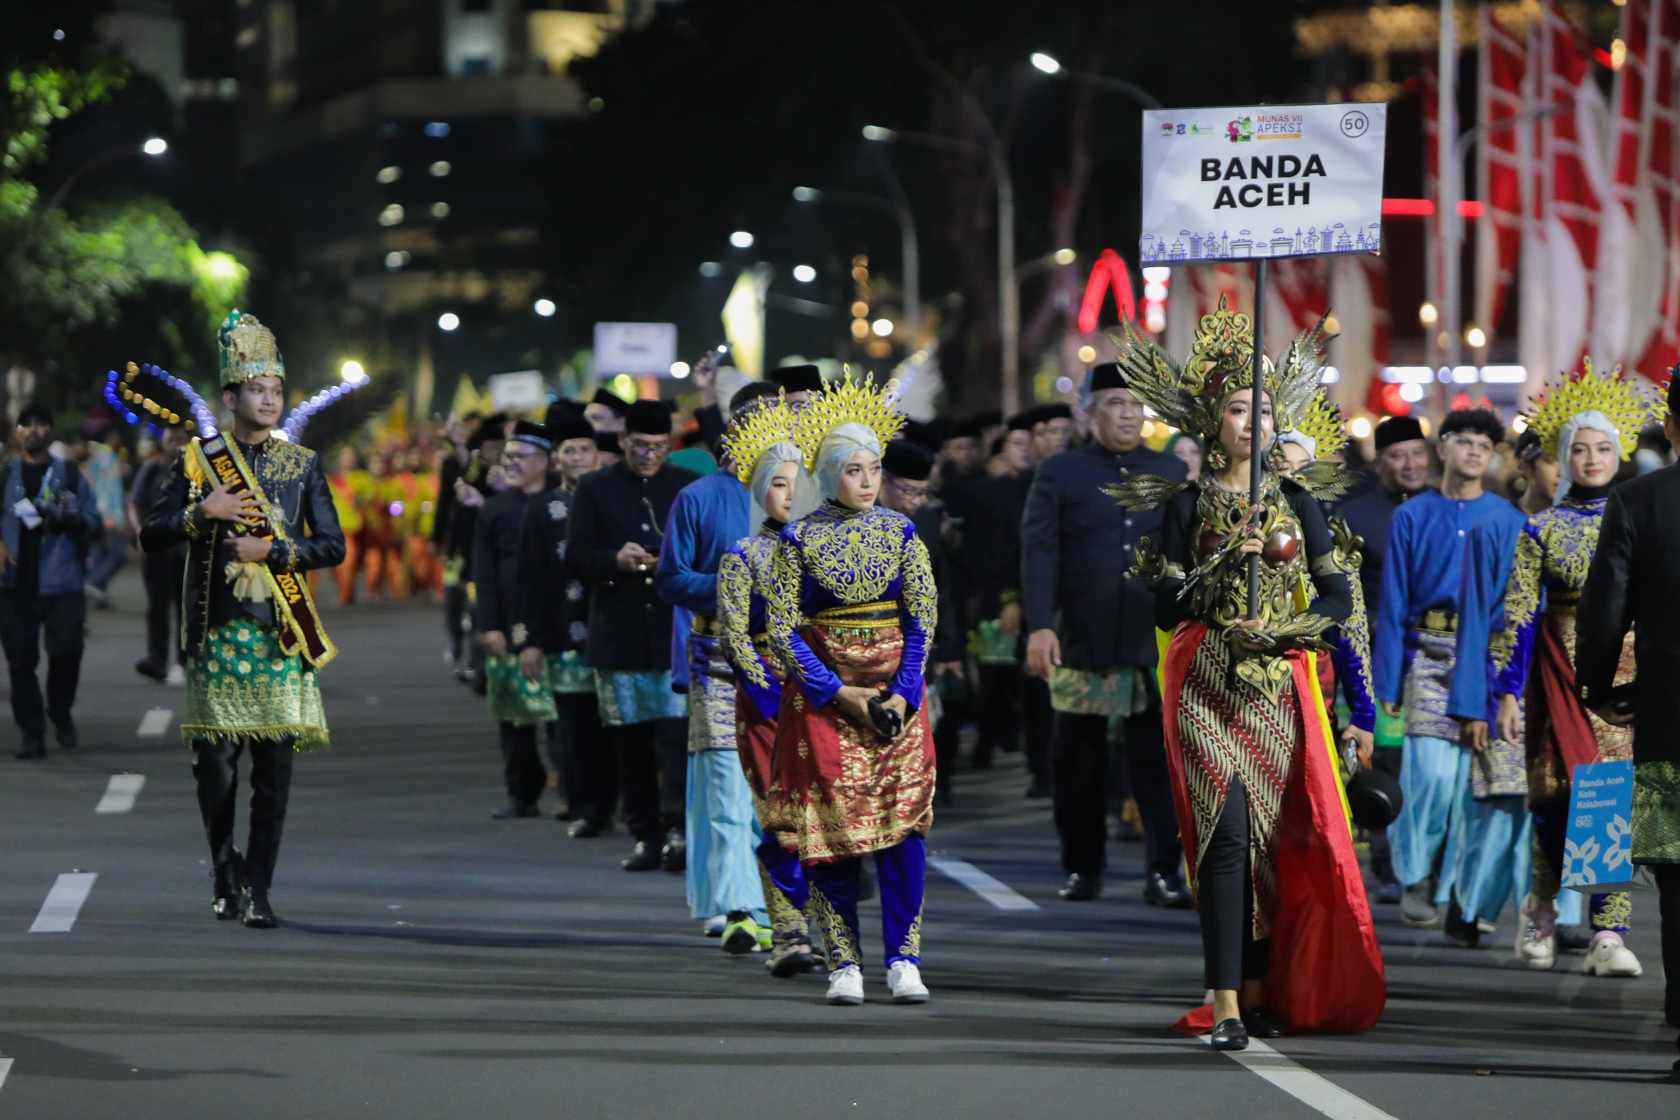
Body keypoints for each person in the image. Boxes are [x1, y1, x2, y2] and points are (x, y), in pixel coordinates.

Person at [1116, 303, 1384, 1048]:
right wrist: (1214, 574)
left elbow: (1335, 597)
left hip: (1276, 686)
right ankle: (1227, 997)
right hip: (1204, 681)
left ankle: (1264, 983)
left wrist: (1284, 629)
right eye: (1239, 410)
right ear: (1212, 422)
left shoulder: (1299, 502)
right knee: (1224, 836)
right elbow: (1161, 591)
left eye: (1264, 413)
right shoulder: (1185, 504)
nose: (1252, 425)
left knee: (1272, 840)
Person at [141, 310, 345, 928]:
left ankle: (259, 885)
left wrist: (273, 550)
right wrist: (201, 513)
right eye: (258, 390)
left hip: (279, 637)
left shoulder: (301, 465)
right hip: (217, 632)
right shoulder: (199, 463)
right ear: (231, 397)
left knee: (275, 771)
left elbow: (332, 546)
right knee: (217, 768)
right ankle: (223, 865)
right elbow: (152, 534)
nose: (270, 400)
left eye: (276, 390)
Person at [1469, 365, 1667, 976]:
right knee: (1555, 801)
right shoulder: (1541, 529)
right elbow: (1520, 612)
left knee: (1611, 799)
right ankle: (1542, 909)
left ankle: (1609, 931)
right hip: (1558, 676)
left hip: (1628, 679)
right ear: (1561, 458)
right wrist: (1505, 690)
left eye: (1603, 448)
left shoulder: (1639, 514)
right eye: (1578, 450)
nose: (1591, 459)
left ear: (1620, 453)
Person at [764, 374, 937, 1007]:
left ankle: (903, 957)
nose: (866, 481)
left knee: (903, 830)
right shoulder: (798, 540)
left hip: (895, 700)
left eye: (873, 469)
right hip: (826, 703)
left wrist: (902, 694)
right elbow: (781, 629)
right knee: (830, 836)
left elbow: (923, 619)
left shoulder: (902, 534)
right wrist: (837, 692)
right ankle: (844, 962)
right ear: (829, 473)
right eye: (853, 470)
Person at [1022, 363, 1189, 906]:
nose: (1127, 414)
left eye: (1135, 405)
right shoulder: (1061, 472)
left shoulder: (1167, 471)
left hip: (1150, 637)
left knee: (1157, 761)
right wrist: (1042, 624)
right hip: (1082, 638)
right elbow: (1040, 552)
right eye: (1115, 403)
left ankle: (1164, 870)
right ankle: (1082, 866)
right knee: (1077, 761)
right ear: (1089, 412)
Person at [1373, 408, 1528, 942]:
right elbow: (1392, 602)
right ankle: (1415, 876)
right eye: (1464, 441)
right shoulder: (1412, 516)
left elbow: (1521, 605)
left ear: (1494, 455)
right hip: (1428, 654)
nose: (1474, 452)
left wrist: (1508, 683)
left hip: (1487, 656)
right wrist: (1386, 682)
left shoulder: (1510, 520)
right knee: (1428, 778)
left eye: (1484, 445)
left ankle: (1463, 897)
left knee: (1480, 790)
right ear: (1443, 447)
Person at [1576, 369, 1680, 1072]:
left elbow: (1605, 606)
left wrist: (1597, 682)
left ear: (1669, 425)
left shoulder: (1638, 500)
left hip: (1669, 717)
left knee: (1677, 876)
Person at [656, 382, 780, 951]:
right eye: (752, 422)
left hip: (787, 666)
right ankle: (739, 906)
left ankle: (778, 900)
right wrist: (733, 587)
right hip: (718, 658)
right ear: (731, 430)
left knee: (776, 791)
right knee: (727, 788)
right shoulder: (699, 498)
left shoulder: (803, 500)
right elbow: (672, 579)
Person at [717, 395, 826, 977]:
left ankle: (838, 932)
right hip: (767, 703)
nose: (789, 494)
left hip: (825, 698)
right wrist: (771, 691)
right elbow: (736, 636)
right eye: (778, 484)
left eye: (798, 483)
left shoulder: (828, 552)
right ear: (760, 490)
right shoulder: (743, 555)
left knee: (829, 818)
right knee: (780, 817)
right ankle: (789, 932)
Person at [568, 399, 698, 872]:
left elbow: (705, 551)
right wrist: (613, 561)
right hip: (619, 633)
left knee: (676, 738)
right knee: (631, 743)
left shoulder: (686, 485)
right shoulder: (594, 488)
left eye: (659, 447)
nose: (649, 455)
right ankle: (646, 833)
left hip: (671, 635)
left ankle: (679, 828)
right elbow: (576, 555)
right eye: (640, 446)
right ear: (622, 441)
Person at [1335, 414, 1431, 902]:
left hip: (1435, 656)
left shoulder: (1441, 506)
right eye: (1398, 455)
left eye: (1417, 453)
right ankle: (1385, 855)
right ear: (1379, 461)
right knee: (1383, 758)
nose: (1410, 464)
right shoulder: (1356, 514)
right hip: (1376, 657)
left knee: (1430, 760)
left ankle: (1424, 859)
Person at [514, 412, 606, 833]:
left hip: (613, 632)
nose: (578, 457)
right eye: (569, 450)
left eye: (585, 449)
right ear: (557, 460)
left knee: (620, 727)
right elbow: (528, 578)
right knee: (573, 727)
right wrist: (529, 640)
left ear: (597, 455)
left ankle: (621, 803)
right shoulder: (540, 509)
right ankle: (585, 806)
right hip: (562, 633)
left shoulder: (614, 498)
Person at [1, 403, 100, 759]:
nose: (33, 430)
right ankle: (32, 733)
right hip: (14, 584)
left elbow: (94, 521)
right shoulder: (4, 476)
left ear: (51, 431)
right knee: (20, 662)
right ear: (17, 432)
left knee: (67, 653)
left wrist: (73, 521)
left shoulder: (69, 475)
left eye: (41, 424)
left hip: (62, 580)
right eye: (25, 424)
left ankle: (60, 710)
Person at [475, 421, 560, 820]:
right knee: (513, 718)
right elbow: (484, 572)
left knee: (563, 716)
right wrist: (488, 624)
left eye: (519, 457)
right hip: (507, 622)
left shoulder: (561, 503)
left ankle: (573, 793)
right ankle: (521, 793)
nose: (509, 463)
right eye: (507, 456)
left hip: (556, 623)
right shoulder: (495, 508)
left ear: (545, 462)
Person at [879, 440, 967, 806]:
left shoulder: (928, 520)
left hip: (917, 645)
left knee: (920, 722)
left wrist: (949, 647)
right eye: (906, 490)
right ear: (882, 481)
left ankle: (918, 793)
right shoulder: (861, 520)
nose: (914, 500)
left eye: (922, 492)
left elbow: (942, 587)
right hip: (870, 643)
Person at [130, 424, 191, 685]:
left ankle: (183, 661)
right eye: (170, 438)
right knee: (157, 606)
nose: (174, 443)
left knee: (185, 607)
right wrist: (139, 533)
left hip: (186, 548)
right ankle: (157, 660)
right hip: (157, 547)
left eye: (179, 439)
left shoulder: (196, 470)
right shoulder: (151, 468)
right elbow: (134, 502)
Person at [81, 430, 128, 608]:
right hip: (107, 514)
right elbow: (109, 489)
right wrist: (111, 514)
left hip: (97, 512)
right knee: (117, 555)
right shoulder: (107, 458)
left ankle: (98, 596)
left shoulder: (98, 457)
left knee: (99, 554)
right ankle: (92, 582)